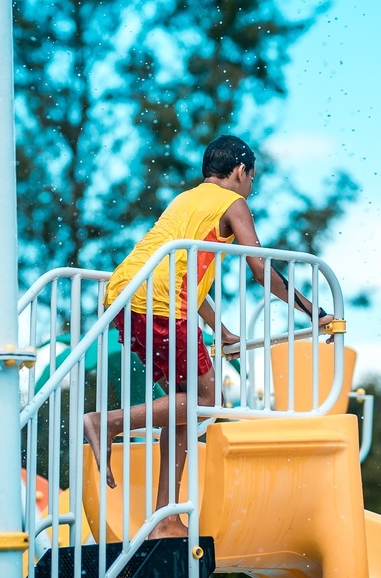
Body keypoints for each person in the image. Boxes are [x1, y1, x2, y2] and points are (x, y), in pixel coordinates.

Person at [83, 135, 333, 539]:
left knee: (185, 406)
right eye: (252, 178)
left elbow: (179, 269)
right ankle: (107, 422)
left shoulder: (187, 200)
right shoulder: (233, 203)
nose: (251, 187)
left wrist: (222, 330)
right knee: (207, 400)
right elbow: (262, 271)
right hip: (161, 303)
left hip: (129, 295)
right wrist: (314, 312)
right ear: (240, 170)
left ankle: (165, 519)